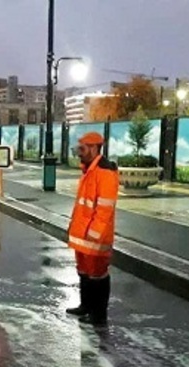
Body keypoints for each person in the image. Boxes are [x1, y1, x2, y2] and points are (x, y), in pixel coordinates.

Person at [65, 132, 119, 325]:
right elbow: (82, 206)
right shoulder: (88, 171)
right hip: (84, 236)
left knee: (98, 275)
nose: (79, 152)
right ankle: (85, 306)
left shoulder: (105, 173)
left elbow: (104, 210)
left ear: (95, 147)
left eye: (83, 148)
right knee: (84, 272)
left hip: (96, 238)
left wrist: (93, 235)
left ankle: (98, 315)